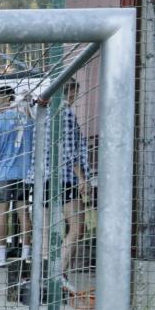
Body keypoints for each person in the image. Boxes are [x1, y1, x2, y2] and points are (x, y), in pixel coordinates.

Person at [0, 85, 34, 268]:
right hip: (24, 173)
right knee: (23, 212)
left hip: (3, 173)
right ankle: (25, 255)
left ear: (8, 99)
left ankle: (0, 257)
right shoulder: (28, 120)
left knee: (1, 214)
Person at [58, 81, 92, 290]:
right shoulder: (67, 114)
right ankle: (59, 273)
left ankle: (56, 273)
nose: (75, 97)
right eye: (75, 93)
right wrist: (82, 178)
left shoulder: (49, 113)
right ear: (70, 92)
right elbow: (71, 152)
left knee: (62, 228)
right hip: (67, 179)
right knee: (78, 227)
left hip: (50, 179)